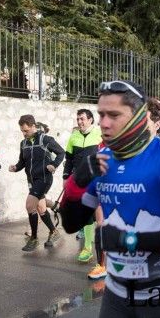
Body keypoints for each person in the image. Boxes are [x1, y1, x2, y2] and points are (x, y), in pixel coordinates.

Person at [58, 80, 160, 317]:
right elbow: (71, 224)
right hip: (117, 292)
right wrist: (76, 184)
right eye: (101, 115)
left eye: (114, 115)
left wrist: (128, 240)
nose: (104, 123)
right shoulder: (103, 159)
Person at [9, 114, 65, 251]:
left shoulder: (45, 139)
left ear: (33, 126)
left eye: (26, 131)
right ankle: (54, 231)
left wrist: (54, 164)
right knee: (40, 208)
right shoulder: (24, 143)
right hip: (32, 180)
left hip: (44, 178)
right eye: (22, 131)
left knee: (29, 205)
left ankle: (34, 238)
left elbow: (61, 153)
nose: (24, 133)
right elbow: (22, 162)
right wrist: (16, 168)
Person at [63, 109, 103, 263]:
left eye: (82, 119)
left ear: (91, 120)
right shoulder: (74, 137)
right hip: (80, 180)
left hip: (98, 179)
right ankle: (87, 247)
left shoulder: (99, 134)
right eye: (78, 119)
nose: (79, 122)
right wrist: (65, 177)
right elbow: (69, 159)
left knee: (99, 215)